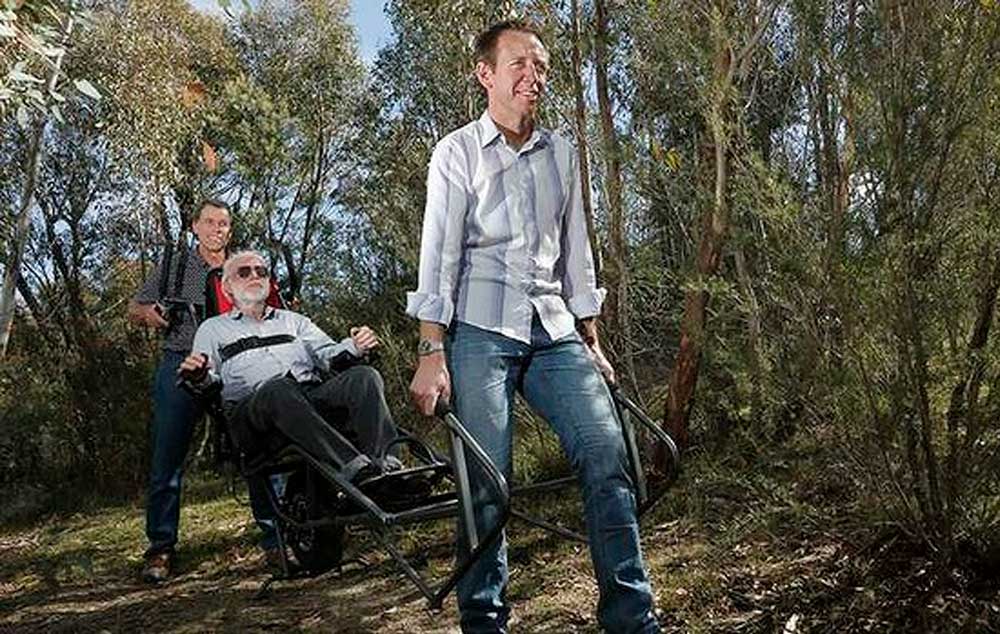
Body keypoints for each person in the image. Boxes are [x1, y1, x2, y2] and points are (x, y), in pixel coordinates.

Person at [407, 20, 660, 634]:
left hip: (553, 331)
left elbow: (577, 253)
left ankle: (632, 618)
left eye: (541, 66)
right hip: (479, 330)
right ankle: (485, 620)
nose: (533, 75)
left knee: (607, 454)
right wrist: (430, 349)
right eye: (518, 63)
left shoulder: (564, 154)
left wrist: (591, 338)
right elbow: (439, 254)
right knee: (486, 483)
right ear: (485, 74)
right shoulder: (456, 153)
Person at [127, 200, 280, 583]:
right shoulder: (176, 267)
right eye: (209, 222)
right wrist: (149, 314)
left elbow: (271, 307)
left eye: (224, 223)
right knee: (168, 455)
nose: (217, 229)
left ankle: (278, 538)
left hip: (234, 365)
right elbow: (136, 307)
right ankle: (160, 549)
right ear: (195, 226)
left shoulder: (242, 266)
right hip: (181, 362)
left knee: (259, 447)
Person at [179, 250, 402, 492]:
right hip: (253, 413)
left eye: (261, 271)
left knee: (365, 377)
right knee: (278, 388)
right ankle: (356, 468)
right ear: (227, 289)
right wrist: (199, 375)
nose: (255, 275)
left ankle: (389, 467)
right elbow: (207, 380)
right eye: (244, 272)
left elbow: (327, 353)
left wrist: (355, 347)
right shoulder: (212, 329)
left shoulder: (294, 321)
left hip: (308, 398)